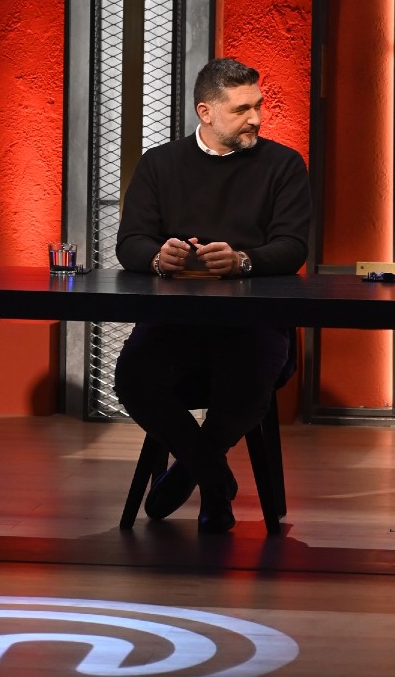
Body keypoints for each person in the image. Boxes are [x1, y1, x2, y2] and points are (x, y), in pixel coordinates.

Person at [113, 57, 311, 533]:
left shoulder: (284, 164)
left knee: (247, 378)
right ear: (206, 111)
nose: (256, 118)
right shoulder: (160, 163)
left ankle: (192, 472)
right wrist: (160, 257)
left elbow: (292, 247)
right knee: (134, 377)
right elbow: (130, 243)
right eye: (242, 109)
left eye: (258, 106)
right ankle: (214, 476)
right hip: (176, 320)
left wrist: (243, 261)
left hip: (253, 323)